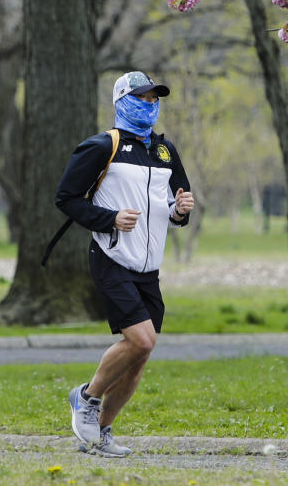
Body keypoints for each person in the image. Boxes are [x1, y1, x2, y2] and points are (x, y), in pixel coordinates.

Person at [55, 71, 195, 457]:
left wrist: (180, 212)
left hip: (148, 267)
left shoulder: (165, 151)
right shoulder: (102, 146)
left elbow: (173, 205)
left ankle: (99, 436)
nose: (150, 104)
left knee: (139, 357)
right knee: (141, 339)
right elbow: (66, 198)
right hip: (112, 258)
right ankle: (86, 396)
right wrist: (110, 219)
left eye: (155, 98)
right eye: (142, 98)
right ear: (121, 101)